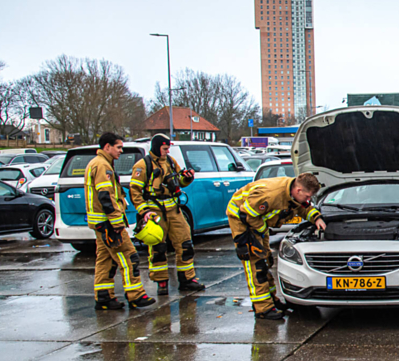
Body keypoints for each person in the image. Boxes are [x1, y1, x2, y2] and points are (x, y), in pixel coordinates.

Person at [227, 172, 326, 320]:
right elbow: (247, 215)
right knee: (256, 265)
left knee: (266, 260)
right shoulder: (271, 195)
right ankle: (263, 309)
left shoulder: (293, 193)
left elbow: (303, 208)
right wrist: (250, 240)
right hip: (243, 223)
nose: (308, 199)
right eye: (307, 196)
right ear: (298, 190)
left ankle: (272, 300)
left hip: (257, 222)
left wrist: (316, 218)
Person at [86, 132, 156, 310]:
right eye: (118, 147)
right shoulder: (103, 166)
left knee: (105, 261)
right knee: (129, 256)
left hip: (100, 223)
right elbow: (106, 197)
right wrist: (117, 224)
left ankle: (103, 297)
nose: (121, 151)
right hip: (108, 223)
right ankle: (136, 295)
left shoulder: (96, 163)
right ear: (106, 147)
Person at [129, 134, 205, 296]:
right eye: (164, 148)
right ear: (156, 147)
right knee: (158, 247)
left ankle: (187, 279)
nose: (167, 151)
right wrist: (145, 211)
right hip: (155, 212)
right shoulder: (143, 165)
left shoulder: (171, 162)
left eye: (168, 148)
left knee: (185, 243)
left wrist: (187, 179)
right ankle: (161, 281)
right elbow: (135, 192)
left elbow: (179, 182)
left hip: (174, 209)